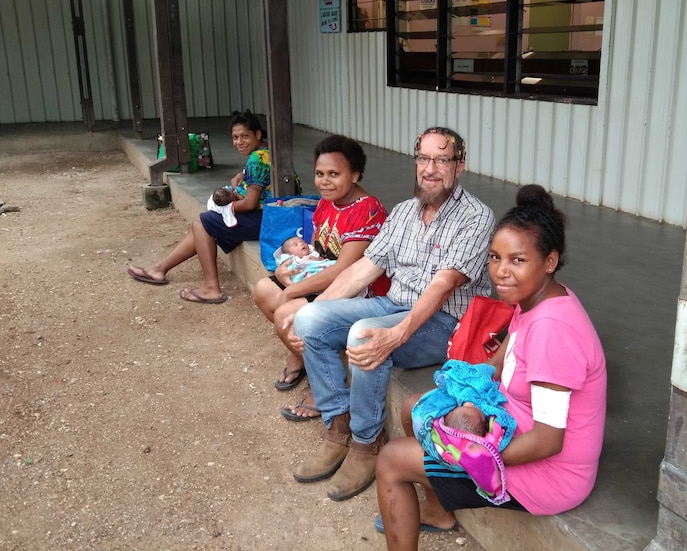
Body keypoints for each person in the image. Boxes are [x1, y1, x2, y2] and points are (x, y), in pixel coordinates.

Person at [374, 184, 608, 550]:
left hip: (552, 472)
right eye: (495, 258)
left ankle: (429, 491)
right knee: (414, 406)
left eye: (517, 260)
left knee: (391, 460)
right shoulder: (532, 301)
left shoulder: (553, 330)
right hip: (515, 424)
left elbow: (548, 441)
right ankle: (438, 510)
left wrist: (466, 454)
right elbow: (495, 367)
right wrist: (464, 394)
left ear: (549, 261)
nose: (501, 271)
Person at [287, 126, 495, 502]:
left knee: (366, 333)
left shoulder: (476, 217)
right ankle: (339, 426)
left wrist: (395, 334)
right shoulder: (403, 212)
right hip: (392, 306)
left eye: (441, 159)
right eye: (423, 158)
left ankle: (365, 443)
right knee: (310, 320)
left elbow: (441, 286)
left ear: (459, 165)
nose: (430, 169)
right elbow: (363, 270)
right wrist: (316, 310)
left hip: (443, 323)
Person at [251, 134, 388, 418]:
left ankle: (322, 386)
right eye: (320, 174)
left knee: (285, 310)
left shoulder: (368, 209)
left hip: (356, 289)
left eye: (334, 174)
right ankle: (301, 356)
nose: (325, 181)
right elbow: (317, 250)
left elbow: (343, 270)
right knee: (264, 289)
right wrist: (288, 269)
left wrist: (292, 290)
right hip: (324, 273)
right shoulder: (328, 201)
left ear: (355, 174)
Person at [127, 110, 272, 304]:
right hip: (270, 216)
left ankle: (211, 288)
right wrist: (241, 175)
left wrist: (223, 209)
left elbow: (250, 203)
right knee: (203, 224)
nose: (239, 142)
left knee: (203, 221)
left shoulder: (257, 159)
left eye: (245, 136)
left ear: (258, 134)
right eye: (235, 137)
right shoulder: (266, 153)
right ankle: (159, 269)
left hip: (264, 219)